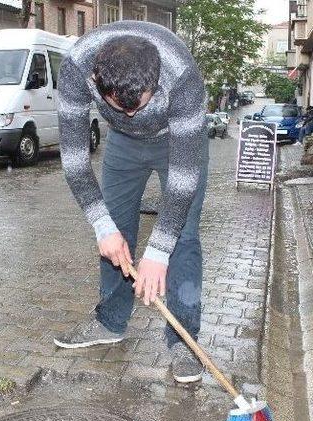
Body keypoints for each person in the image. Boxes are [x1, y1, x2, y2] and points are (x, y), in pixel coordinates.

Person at [53, 21, 209, 384]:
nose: (132, 116)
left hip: (178, 141)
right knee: (114, 232)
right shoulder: (77, 69)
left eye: (139, 106)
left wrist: (158, 252)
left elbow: (184, 182)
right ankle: (110, 321)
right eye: (119, 108)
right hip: (122, 146)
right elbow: (74, 162)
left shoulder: (182, 76)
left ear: (156, 82)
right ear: (97, 80)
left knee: (182, 238)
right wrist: (102, 226)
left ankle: (183, 341)